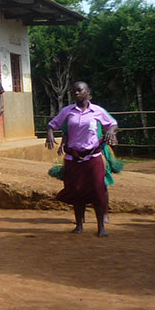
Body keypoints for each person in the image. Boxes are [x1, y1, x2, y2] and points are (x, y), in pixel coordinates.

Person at [45, 81, 118, 237]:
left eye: (79, 90)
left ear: (88, 93)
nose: (76, 93)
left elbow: (112, 123)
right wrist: (50, 134)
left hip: (93, 157)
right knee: (76, 191)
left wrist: (111, 132)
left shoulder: (97, 111)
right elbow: (52, 124)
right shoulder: (67, 111)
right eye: (73, 91)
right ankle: (79, 225)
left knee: (98, 190)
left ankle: (101, 228)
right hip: (73, 158)